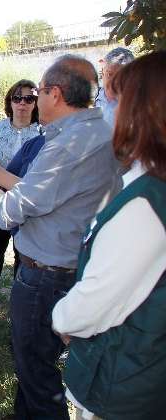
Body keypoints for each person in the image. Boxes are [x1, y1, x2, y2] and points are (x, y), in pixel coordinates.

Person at [0, 54, 121, 419]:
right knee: (31, 369)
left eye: (39, 92)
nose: (34, 99)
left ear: (56, 94)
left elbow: (11, 211)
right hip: (67, 267)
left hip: (46, 275)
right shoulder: (95, 132)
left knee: (38, 373)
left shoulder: (66, 145)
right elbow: (44, 191)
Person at [52, 50, 166, 420]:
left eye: (120, 99)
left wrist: (65, 319)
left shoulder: (145, 204)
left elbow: (97, 299)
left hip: (124, 385)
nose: (110, 106)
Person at [0, 80, 40, 307]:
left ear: (36, 103)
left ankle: (19, 292)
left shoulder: (42, 133)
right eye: (17, 98)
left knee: (22, 250)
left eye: (29, 98)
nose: (22, 103)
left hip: (28, 199)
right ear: (10, 102)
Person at [94, 47, 134, 127]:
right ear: (103, 70)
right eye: (110, 74)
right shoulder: (91, 98)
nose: (114, 81)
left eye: (122, 76)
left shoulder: (139, 103)